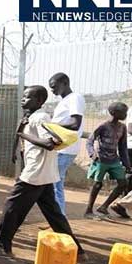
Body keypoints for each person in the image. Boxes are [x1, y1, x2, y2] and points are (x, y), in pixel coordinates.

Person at [0, 86, 86, 259]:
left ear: (39, 101)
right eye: (23, 97)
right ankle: (77, 250)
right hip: (44, 174)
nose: (23, 100)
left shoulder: (40, 117)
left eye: (27, 97)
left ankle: (2, 246)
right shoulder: (32, 117)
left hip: (35, 174)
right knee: (54, 214)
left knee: (12, 207)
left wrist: (24, 135)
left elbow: (51, 143)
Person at [84, 102, 131, 218]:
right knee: (97, 185)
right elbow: (90, 140)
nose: (125, 115)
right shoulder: (103, 126)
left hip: (114, 160)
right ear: (114, 113)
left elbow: (123, 147)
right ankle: (88, 210)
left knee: (123, 183)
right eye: (123, 112)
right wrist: (92, 154)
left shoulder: (122, 127)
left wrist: (127, 163)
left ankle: (104, 206)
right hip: (101, 159)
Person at [48, 72, 85, 215]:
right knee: (54, 184)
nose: (52, 90)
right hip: (60, 148)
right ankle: (58, 218)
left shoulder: (75, 98)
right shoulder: (65, 100)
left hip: (65, 148)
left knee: (55, 184)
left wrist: (51, 126)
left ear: (64, 83)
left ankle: (59, 219)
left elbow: (75, 122)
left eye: (54, 87)